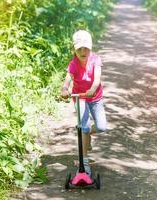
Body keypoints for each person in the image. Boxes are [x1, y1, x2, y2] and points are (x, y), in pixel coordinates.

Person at [61, 30, 107, 175]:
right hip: (80, 98)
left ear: (90, 48)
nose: (82, 51)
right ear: (75, 50)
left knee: (101, 127)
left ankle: (87, 134)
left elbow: (97, 79)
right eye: (79, 49)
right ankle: (84, 160)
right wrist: (64, 89)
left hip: (95, 98)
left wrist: (93, 89)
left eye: (85, 48)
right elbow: (67, 80)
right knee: (85, 126)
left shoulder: (95, 60)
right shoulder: (73, 64)